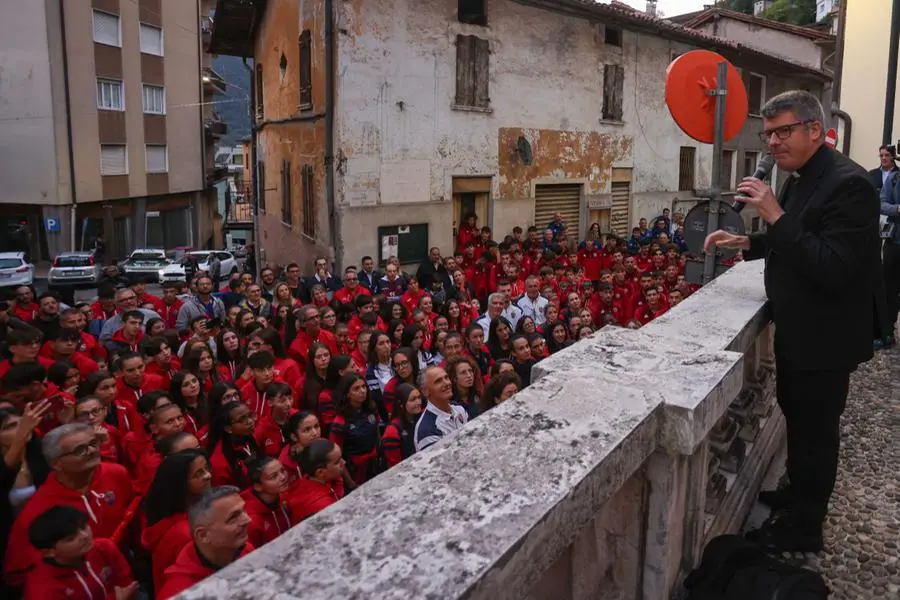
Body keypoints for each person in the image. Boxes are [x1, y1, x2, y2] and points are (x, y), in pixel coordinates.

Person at [704, 91, 878, 553]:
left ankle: (805, 528)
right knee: (797, 419)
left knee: (817, 434)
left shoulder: (851, 185)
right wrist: (747, 242)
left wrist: (773, 214)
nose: (773, 143)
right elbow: (795, 240)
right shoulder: (798, 178)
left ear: (815, 130)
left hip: (826, 336)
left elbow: (833, 264)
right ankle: (797, 493)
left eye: (783, 131)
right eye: (769, 135)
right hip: (798, 328)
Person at [4, 422, 133, 586]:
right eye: (80, 450)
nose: (92, 451)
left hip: (126, 575)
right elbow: (20, 573)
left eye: (93, 443)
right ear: (56, 463)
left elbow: (133, 520)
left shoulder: (117, 473)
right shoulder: (38, 510)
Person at [157, 486, 254, 599]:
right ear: (203, 535)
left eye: (243, 510)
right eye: (233, 517)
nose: (248, 520)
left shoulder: (246, 550)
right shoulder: (179, 592)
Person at [24, 506, 137, 600]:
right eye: (71, 538)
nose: (85, 536)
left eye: (84, 527)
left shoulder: (104, 547)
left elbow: (128, 585)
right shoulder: (43, 590)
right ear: (49, 552)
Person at [141, 449, 212, 594]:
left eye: (207, 469)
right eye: (198, 474)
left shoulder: (191, 516)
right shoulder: (184, 534)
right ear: (180, 484)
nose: (208, 476)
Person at [240, 456, 293, 548]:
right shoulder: (251, 521)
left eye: (283, 470)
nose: (283, 477)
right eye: (274, 476)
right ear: (258, 486)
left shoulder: (283, 496)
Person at [289, 438, 346, 521]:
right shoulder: (323, 506)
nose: (343, 462)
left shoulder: (311, 479)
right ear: (320, 472)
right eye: (337, 462)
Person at [413, 366, 468, 452]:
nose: (446, 383)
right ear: (425, 391)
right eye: (438, 381)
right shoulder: (427, 429)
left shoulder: (459, 409)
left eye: (446, 377)